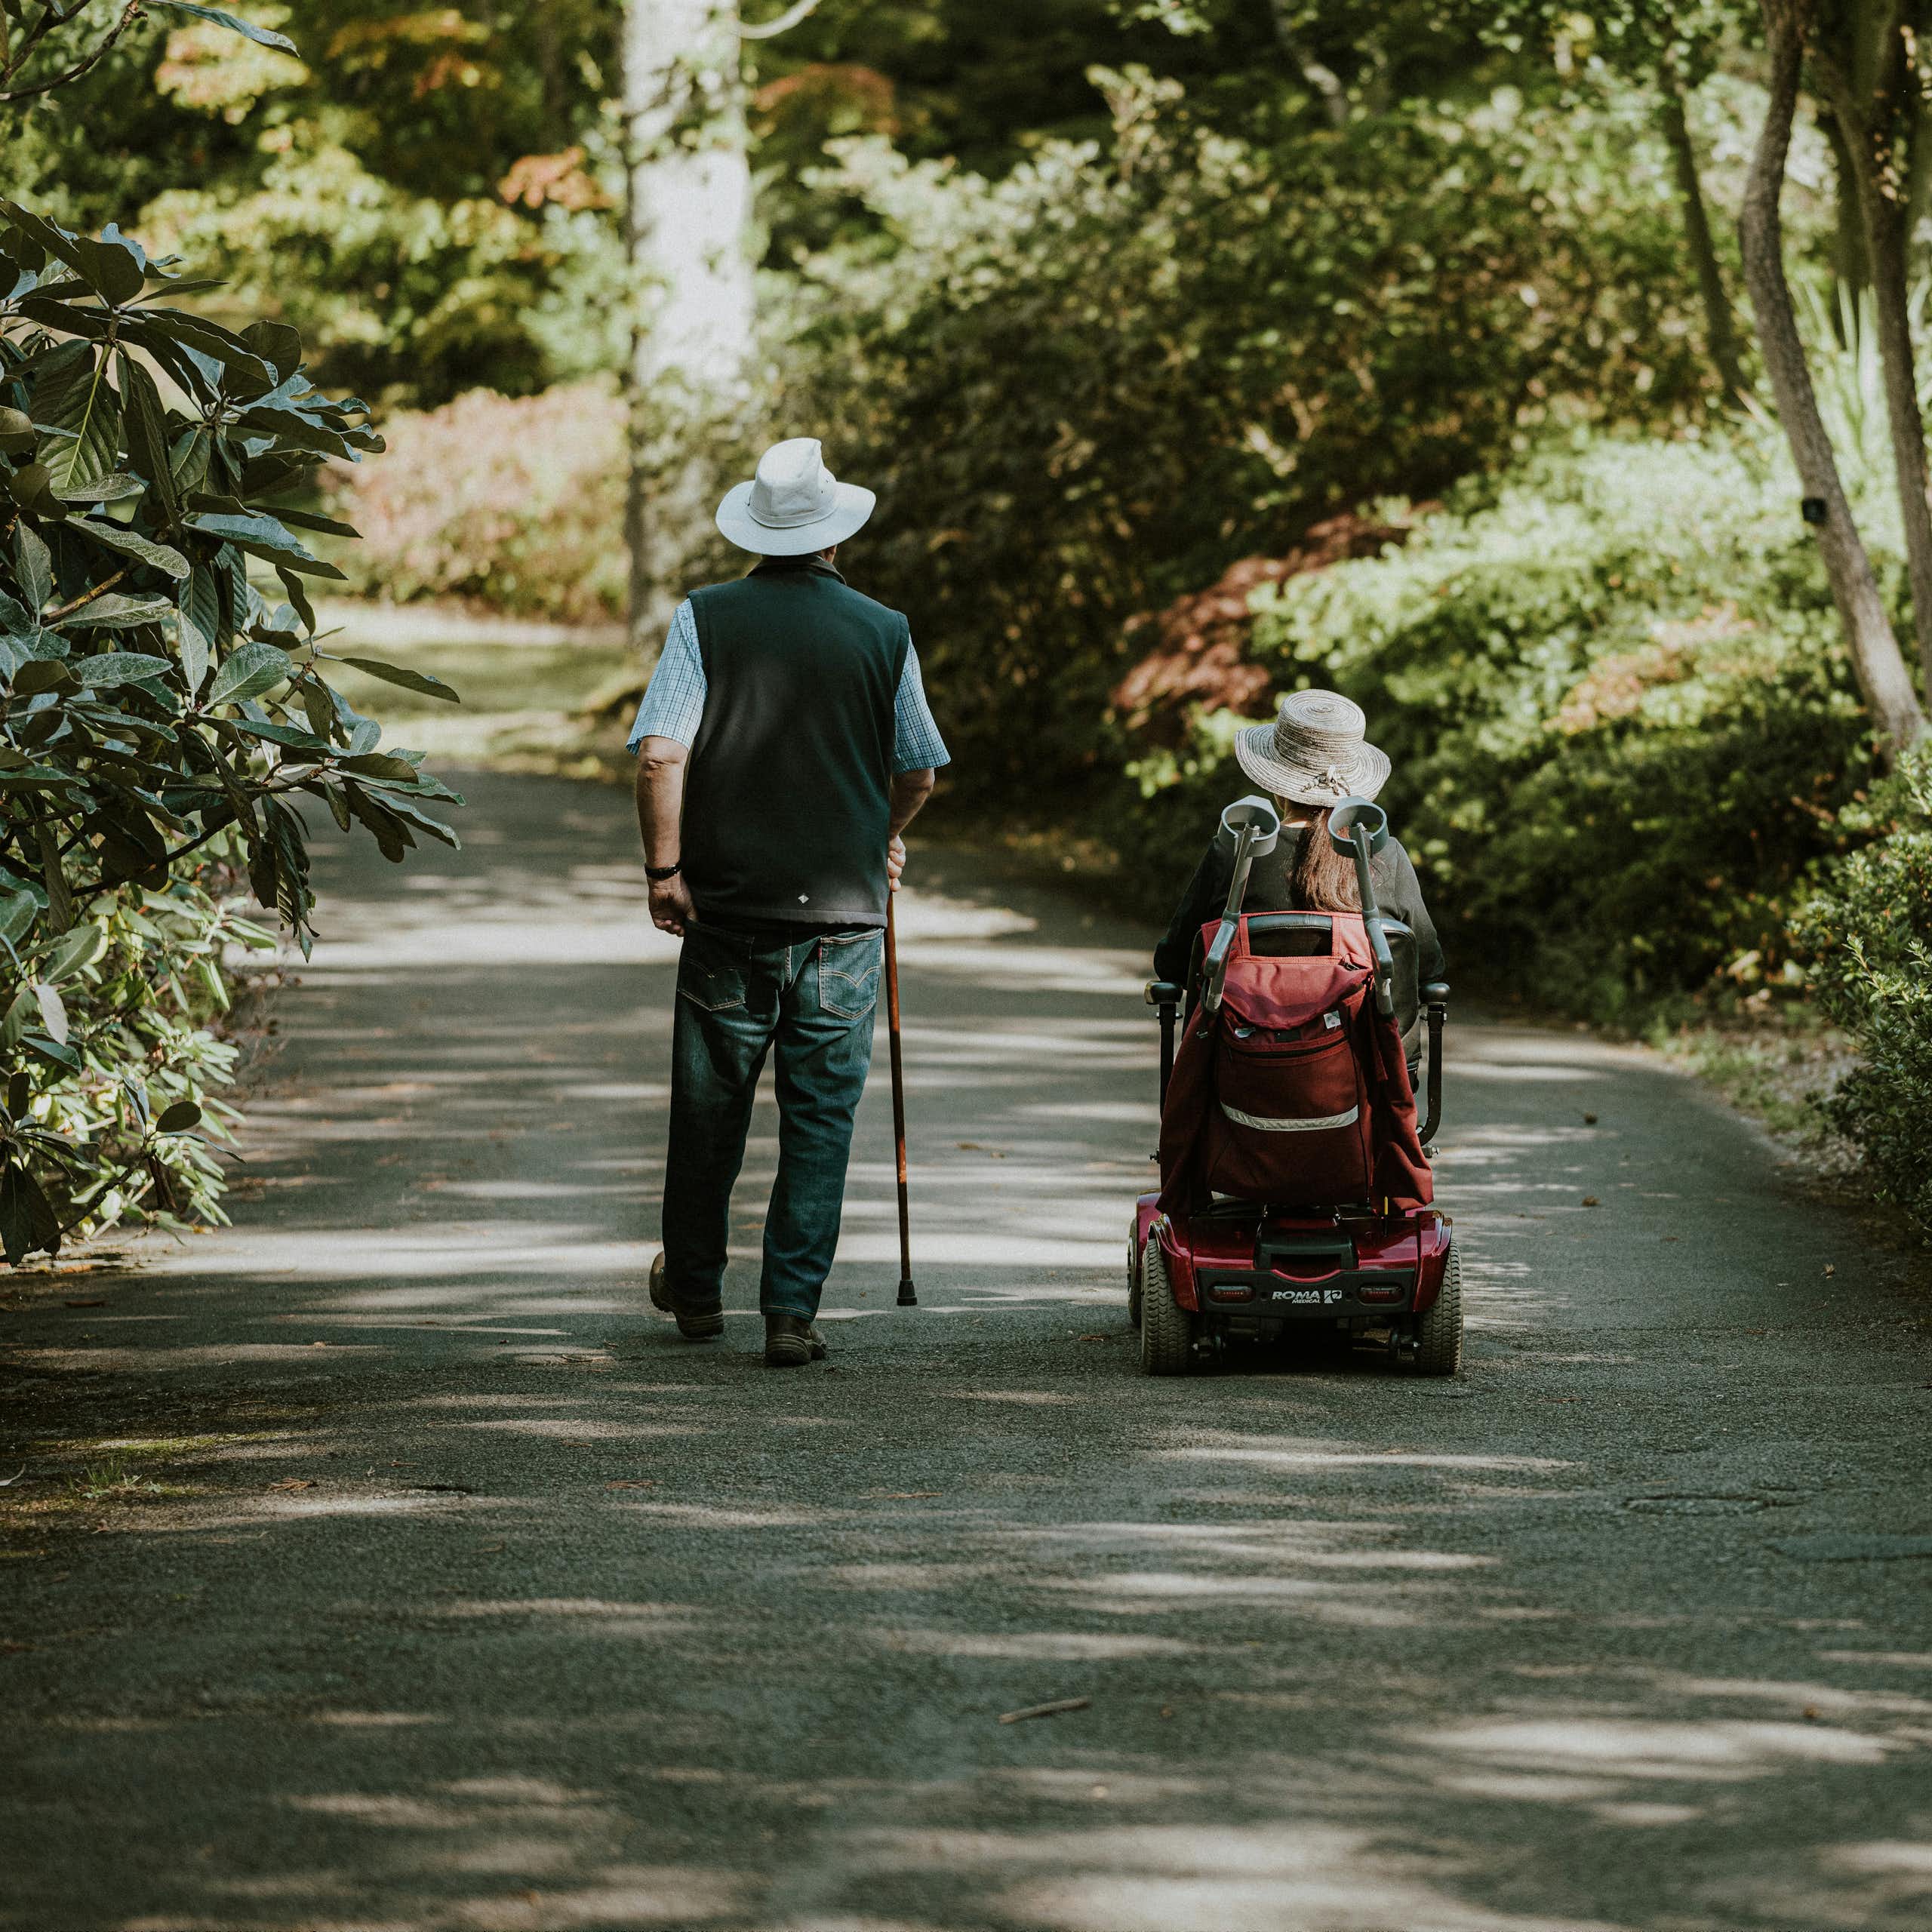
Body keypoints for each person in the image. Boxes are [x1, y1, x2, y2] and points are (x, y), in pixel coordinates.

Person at [629, 438, 949, 1367]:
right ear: (836, 536)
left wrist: (664, 870)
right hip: (844, 925)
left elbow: (659, 752)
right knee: (820, 1120)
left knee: (709, 1111)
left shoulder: (705, 619)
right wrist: (872, 834)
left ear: (757, 533)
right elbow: (918, 769)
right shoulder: (885, 630)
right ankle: (789, 1313)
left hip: (727, 914)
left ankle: (693, 1291)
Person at [1154, 688, 1443, 1000]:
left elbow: (1173, 963)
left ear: (1278, 785)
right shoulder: (1385, 855)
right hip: (1363, 1048)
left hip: (1243, 1046)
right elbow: (1428, 969)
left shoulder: (1234, 854)